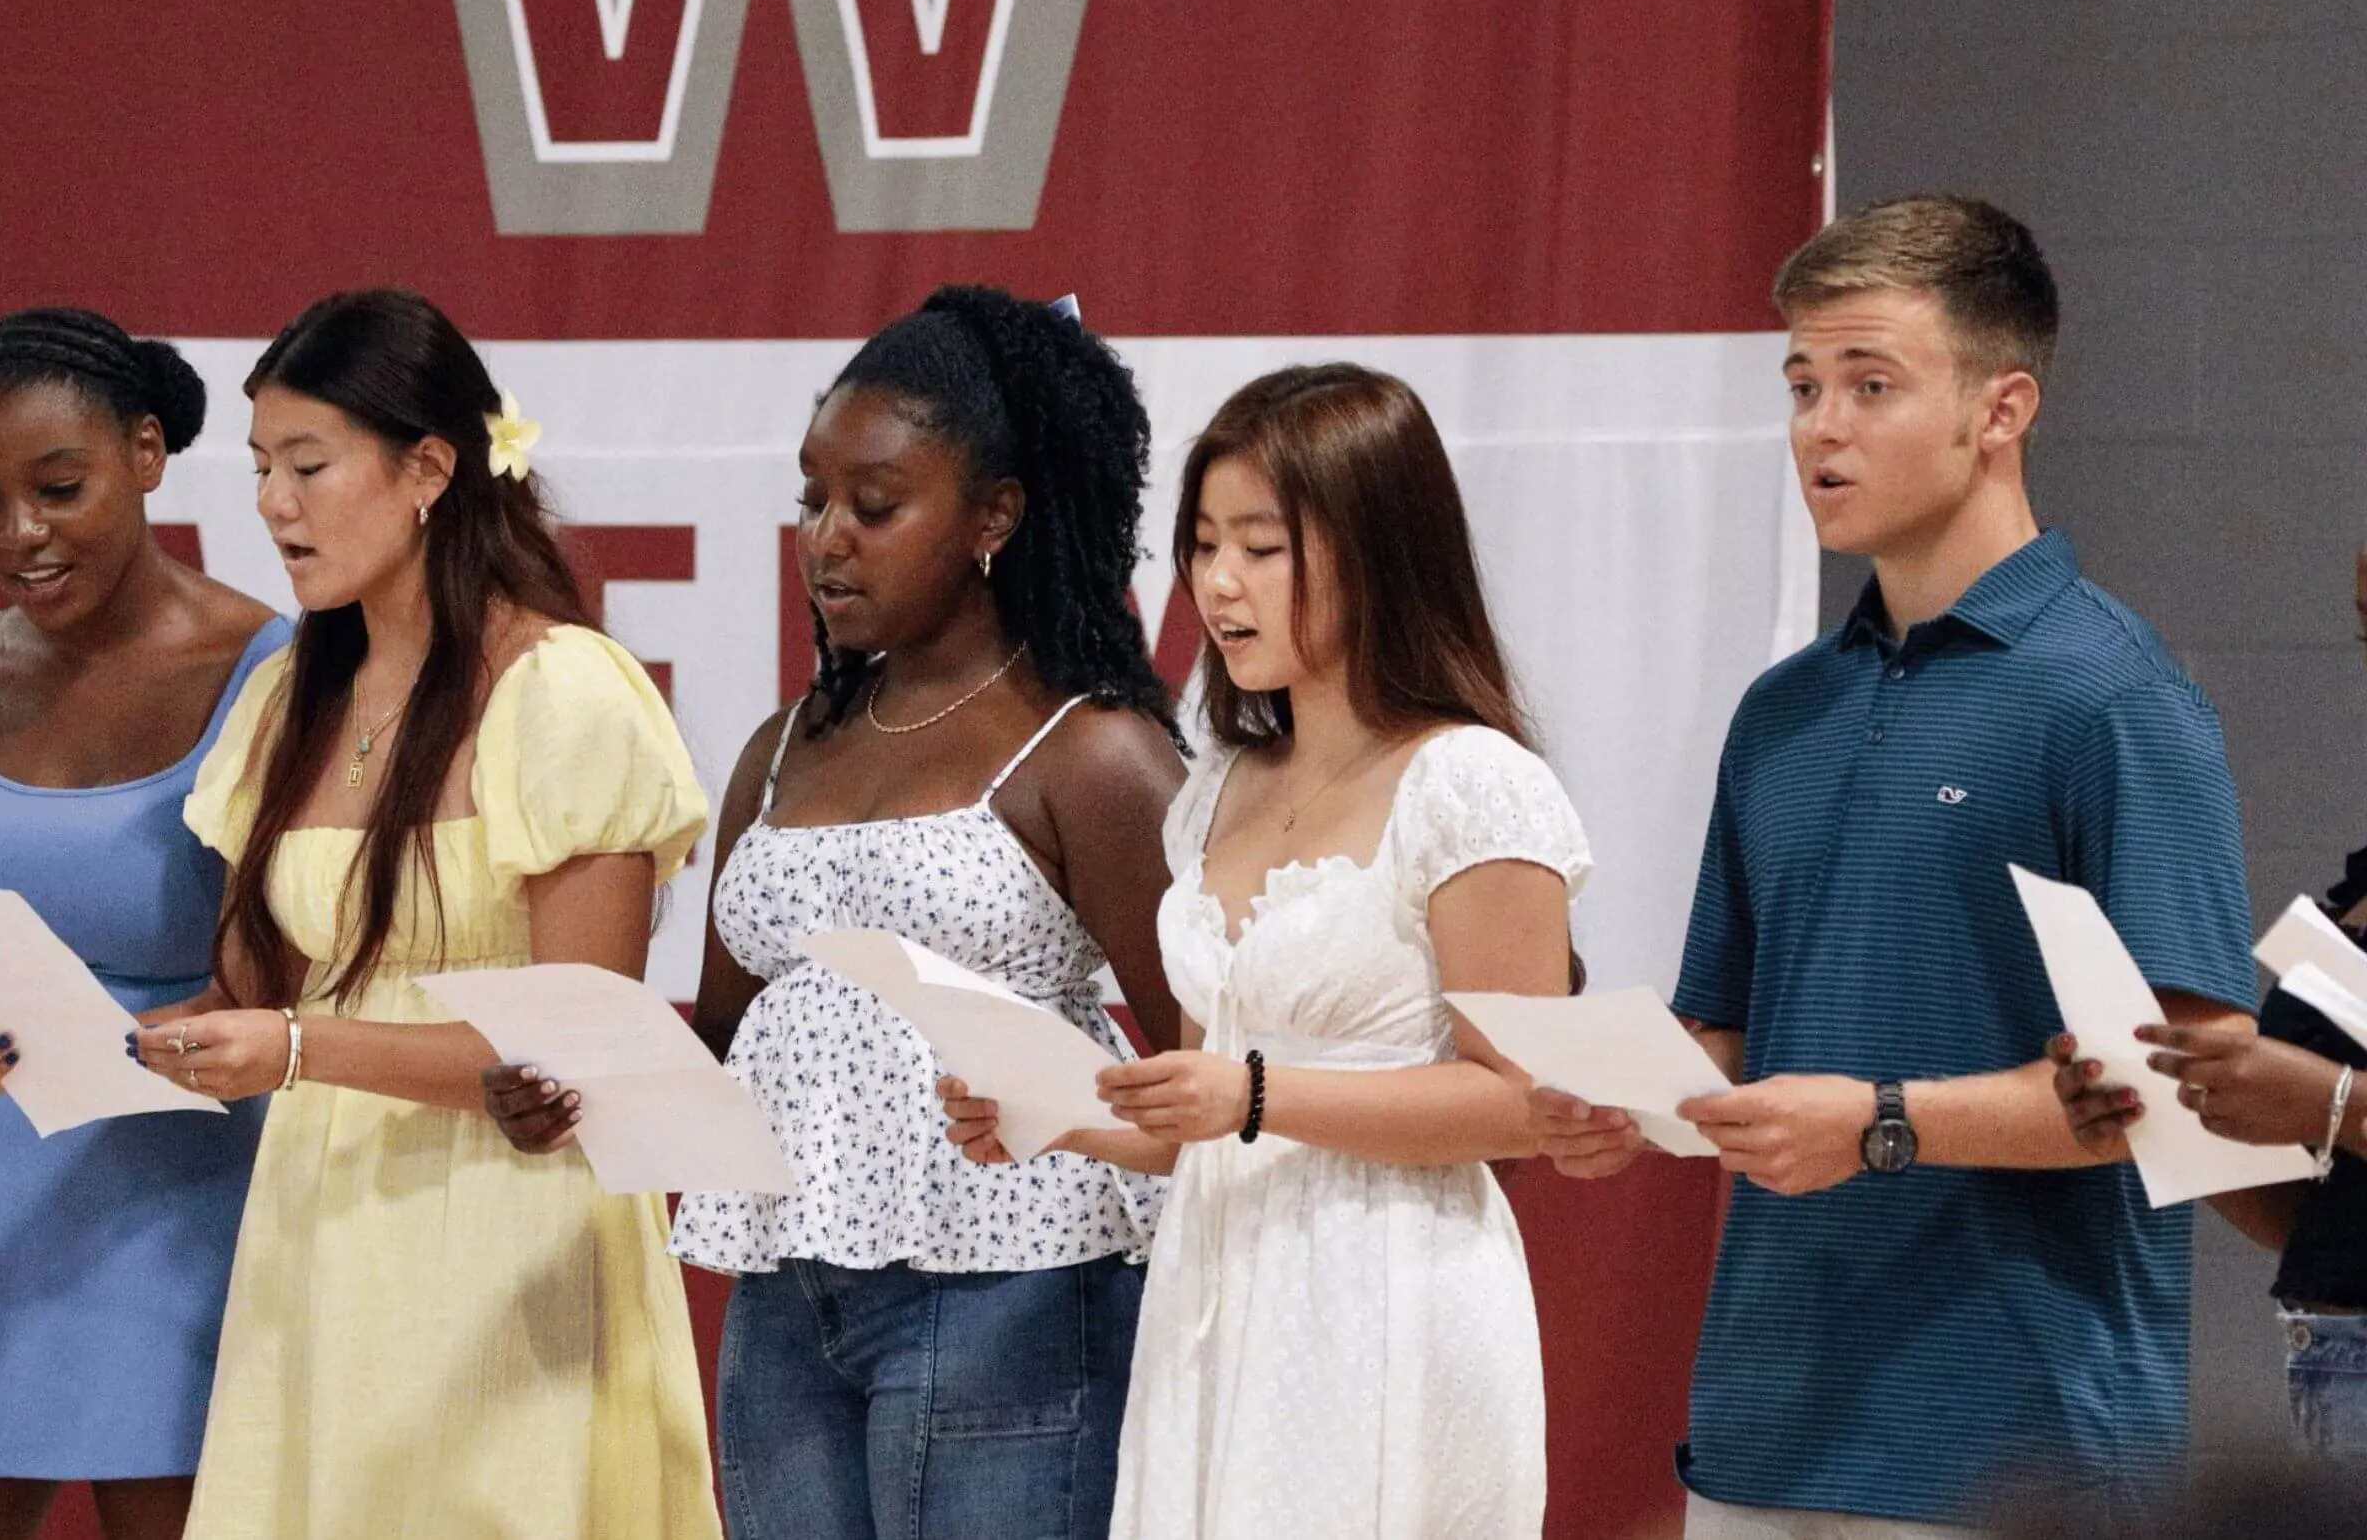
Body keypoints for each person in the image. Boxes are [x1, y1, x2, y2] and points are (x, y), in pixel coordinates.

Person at [1531, 197, 2258, 1536]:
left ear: (2003, 409)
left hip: (2017, 1458)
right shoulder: (1782, 713)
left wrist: (1882, 1122)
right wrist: (1630, 1105)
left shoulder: (2115, 698)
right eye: (1803, 385)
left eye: (1872, 385)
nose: (1821, 427)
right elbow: (1733, 1035)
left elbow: (2193, 1096)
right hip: (1761, 1439)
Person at [485, 286, 1186, 1540]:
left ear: (994, 517)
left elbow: (1209, 1072)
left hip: (1015, 1282)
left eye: (874, 506)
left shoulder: (1092, 751)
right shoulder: (784, 744)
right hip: (788, 1280)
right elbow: (721, 1030)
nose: (825, 539)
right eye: (811, 500)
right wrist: (577, 1080)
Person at [943, 363, 1594, 1540]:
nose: (1220, 583)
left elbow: (1522, 1102)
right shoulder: (1216, 791)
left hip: (1391, 1294)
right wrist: (1056, 1115)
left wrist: (1249, 1093)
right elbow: (1204, 1108)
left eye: (1263, 546)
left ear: (1377, 549)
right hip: (1216, 1284)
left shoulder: (1472, 782)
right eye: (1201, 543)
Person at [131, 290, 719, 1539]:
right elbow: (254, 996)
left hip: (507, 1234)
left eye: (307, 464)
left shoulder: (561, 690)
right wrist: (93, 1042)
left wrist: (296, 1049)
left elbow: (582, 1051)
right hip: (319, 1232)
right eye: (258, 469)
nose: (273, 503)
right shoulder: (291, 691)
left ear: (429, 469)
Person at [0, 309, 283, 1540]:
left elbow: (297, 963)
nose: (18, 534)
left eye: (58, 487)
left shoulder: (281, 672)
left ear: (145, 453)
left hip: (194, 1195)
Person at [2049, 545, 2367, 1461]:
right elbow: (2321, 1220)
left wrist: (2332, 1100)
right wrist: (2174, 1107)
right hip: (2335, 1356)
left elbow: (2331, 1104)